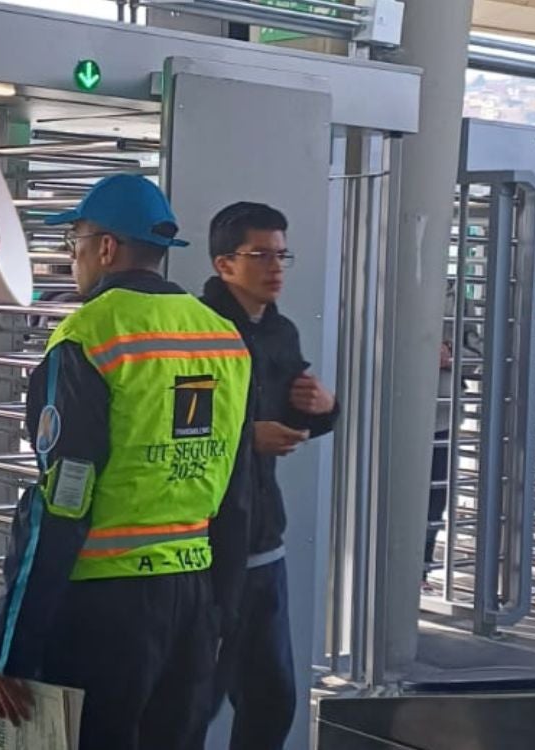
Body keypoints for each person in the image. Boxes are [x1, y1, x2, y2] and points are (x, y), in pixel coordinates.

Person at [0, 175, 252, 750]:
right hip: (192, 593)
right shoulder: (222, 336)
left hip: (102, 607)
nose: (73, 258)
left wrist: (14, 644)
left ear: (106, 248)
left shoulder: (89, 335)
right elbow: (238, 490)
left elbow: (65, 495)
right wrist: (220, 617)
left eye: (76, 242)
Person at [201, 201, 338, 750]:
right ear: (224, 264)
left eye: (282, 255)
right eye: (260, 254)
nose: (275, 267)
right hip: (208, 547)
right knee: (194, 699)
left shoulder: (280, 333)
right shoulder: (198, 332)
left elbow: (298, 418)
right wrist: (244, 438)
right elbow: (169, 432)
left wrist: (325, 409)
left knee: (274, 697)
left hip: (266, 547)